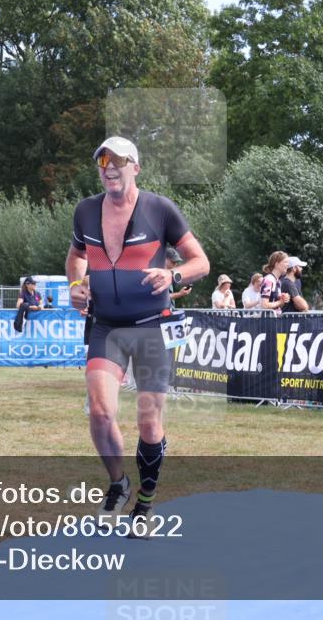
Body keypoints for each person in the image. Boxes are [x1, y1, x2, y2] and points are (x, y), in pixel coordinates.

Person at [65, 136, 209, 535]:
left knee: (149, 422)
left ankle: (145, 502)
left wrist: (173, 274)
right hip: (106, 325)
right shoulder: (86, 211)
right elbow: (76, 256)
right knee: (99, 411)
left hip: (151, 325)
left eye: (119, 161)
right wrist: (76, 284)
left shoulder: (160, 209)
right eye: (103, 161)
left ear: (136, 167)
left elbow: (201, 261)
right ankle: (118, 484)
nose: (110, 167)